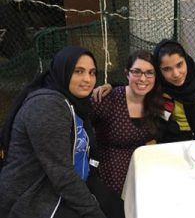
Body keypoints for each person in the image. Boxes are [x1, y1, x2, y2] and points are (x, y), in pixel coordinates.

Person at [0, 46, 112, 218]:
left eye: (92, 72)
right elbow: (61, 173)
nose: (88, 79)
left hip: (61, 189)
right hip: (34, 199)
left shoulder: (74, 102)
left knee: (118, 206)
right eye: (78, 71)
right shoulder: (47, 105)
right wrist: (93, 213)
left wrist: (114, 85)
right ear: (63, 71)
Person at [92, 50, 162, 196]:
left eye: (149, 73)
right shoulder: (106, 99)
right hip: (110, 174)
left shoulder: (155, 101)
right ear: (127, 74)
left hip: (142, 168)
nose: (143, 78)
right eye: (137, 72)